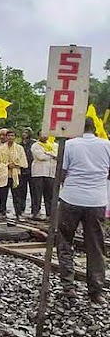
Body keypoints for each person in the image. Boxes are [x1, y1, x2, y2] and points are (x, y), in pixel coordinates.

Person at [57, 118, 110, 304]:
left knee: (65, 241)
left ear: (79, 128)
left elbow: (61, 173)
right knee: (96, 246)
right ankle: (96, 291)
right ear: (95, 129)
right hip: (96, 201)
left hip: (71, 198)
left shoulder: (70, 144)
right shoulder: (107, 145)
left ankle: (69, 287)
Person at [0, 129, 28, 219]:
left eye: (12, 136)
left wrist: (15, 165)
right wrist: (6, 165)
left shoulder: (19, 148)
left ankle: (18, 213)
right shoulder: (2, 148)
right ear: (6, 137)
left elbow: (24, 162)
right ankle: (2, 211)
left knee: (17, 195)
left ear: (15, 137)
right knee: (3, 194)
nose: (10, 137)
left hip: (15, 174)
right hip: (4, 174)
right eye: (9, 136)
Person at [30, 131, 57, 220]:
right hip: (39, 173)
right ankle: (36, 213)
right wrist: (52, 156)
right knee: (37, 194)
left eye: (46, 134)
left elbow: (58, 155)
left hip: (51, 173)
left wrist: (48, 154)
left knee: (49, 195)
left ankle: (49, 214)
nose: (45, 136)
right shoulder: (35, 146)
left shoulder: (54, 145)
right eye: (42, 134)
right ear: (38, 136)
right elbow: (41, 157)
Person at [15, 127, 36, 217]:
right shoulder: (19, 145)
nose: (24, 134)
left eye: (26, 132)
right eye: (23, 132)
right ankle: (21, 209)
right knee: (21, 191)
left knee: (34, 191)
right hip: (22, 170)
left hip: (33, 170)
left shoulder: (33, 143)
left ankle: (34, 210)